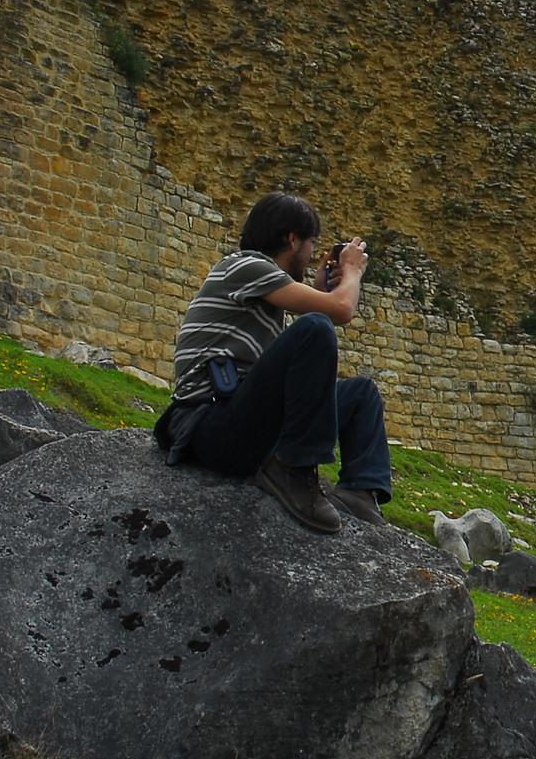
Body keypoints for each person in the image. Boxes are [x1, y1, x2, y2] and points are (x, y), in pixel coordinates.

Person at [154, 191, 392, 532]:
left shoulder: (267, 298)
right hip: (210, 424)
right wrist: (352, 270)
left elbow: (288, 374)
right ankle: (294, 473)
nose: (312, 255)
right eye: (311, 244)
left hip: (243, 419)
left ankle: (359, 491)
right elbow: (341, 310)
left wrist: (320, 289)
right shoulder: (245, 265)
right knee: (316, 327)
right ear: (292, 239)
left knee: (361, 394)